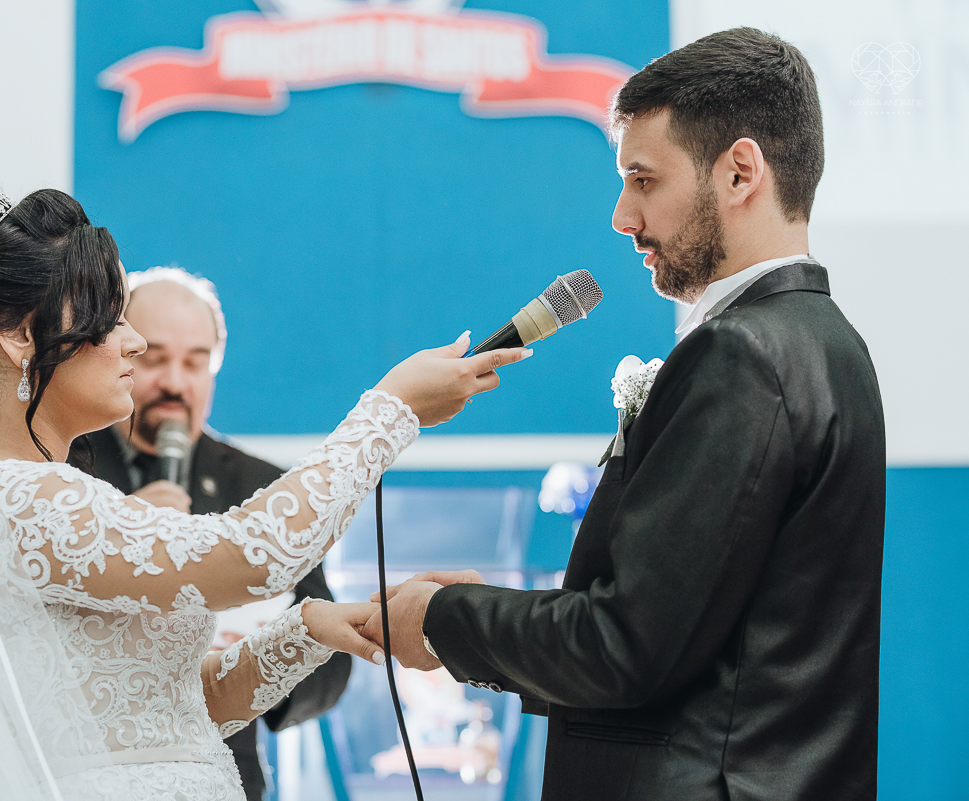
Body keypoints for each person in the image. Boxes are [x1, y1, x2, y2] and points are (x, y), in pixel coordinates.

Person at [0, 164, 529, 801]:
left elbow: (171, 716)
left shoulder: (33, 493)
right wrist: (392, 409)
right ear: (16, 334)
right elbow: (253, 555)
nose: (131, 342)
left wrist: (310, 629)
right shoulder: (20, 503)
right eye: (107, 316)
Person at [365, 28, 885, 800]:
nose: (621, 215)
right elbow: (698, 643)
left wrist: (446, 617)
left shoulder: (741, 355)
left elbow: (624, 647)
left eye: (643, 179)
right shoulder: (831, 342)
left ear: (741, 171)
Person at [70, 266, 350, 800]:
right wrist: (117, 534)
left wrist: (261, 658)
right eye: (155, 359)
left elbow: (331, 663)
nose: (176, 382)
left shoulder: (265, 486)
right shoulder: (67, 470)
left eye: (195, 363)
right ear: (119, 354)